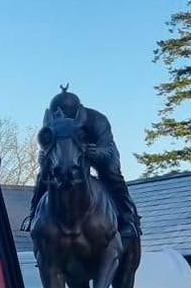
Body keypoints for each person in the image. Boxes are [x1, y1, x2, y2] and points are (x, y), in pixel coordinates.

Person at [28, 88, 140, 238]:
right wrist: (45, 160)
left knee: (112, 174)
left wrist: (92, 152)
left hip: (96, 150)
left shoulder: (98, 120)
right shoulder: (51, 123)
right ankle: (34, 214)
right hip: (66, 153)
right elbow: (47, 146)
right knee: (43, 175)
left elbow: (107, 148)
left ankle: (127, 217)